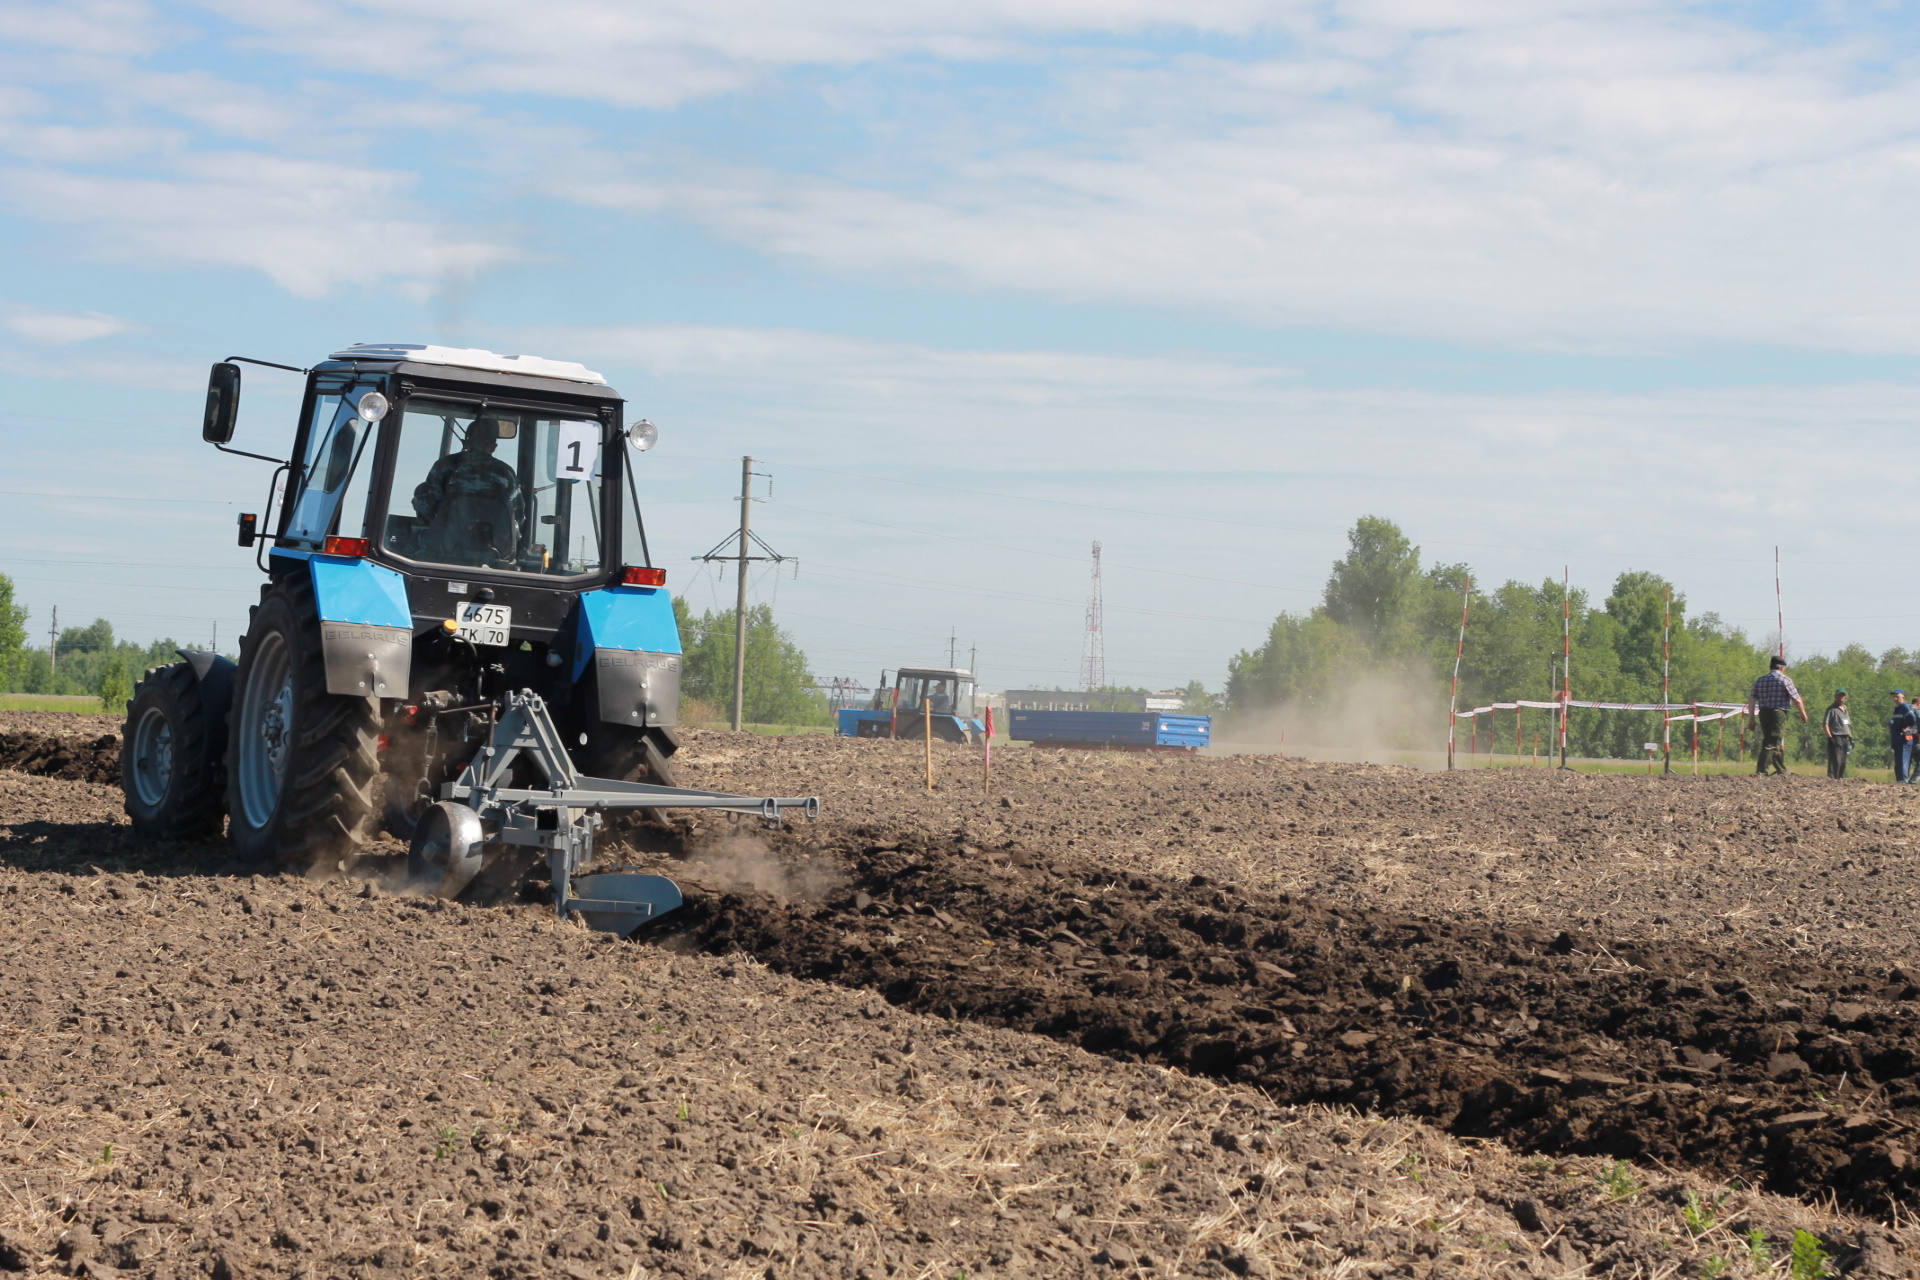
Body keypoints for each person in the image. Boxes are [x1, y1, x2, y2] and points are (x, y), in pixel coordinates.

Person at [412, 414, 525, 567]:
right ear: (493, 447)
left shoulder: (445, 466)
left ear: (467, 441)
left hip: (441, 553)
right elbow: (517, 516)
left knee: (408, 544)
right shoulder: (506, 473)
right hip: (495, 556)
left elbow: (427, 507)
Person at [1745, 654, 1807, 776]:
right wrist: (1803, 713)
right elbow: (1797, 699)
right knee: (1772, 742)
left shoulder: (1761, 680)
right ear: (1782, 668)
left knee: (1770, 741)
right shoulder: (1785, 680)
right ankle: (1761, 771)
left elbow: (1752, 700)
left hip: (1763, 713)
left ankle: (1782, 770)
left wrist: (1751, 718)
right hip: (1778, 713)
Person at [1891, 690, 1920, 784]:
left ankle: (1904, 781)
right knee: (1901, 761)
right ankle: (1905, 781)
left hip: (1905, 739)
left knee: (1903, 761)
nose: (1895, 699)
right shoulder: (1900, 709)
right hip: (1902, 739)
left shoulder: (1905, 708)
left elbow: (1912, 720)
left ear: (1903, 697)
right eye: (1894, 697)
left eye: (1897, 696)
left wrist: (1908, 729)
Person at [1824, 689, 1852, 779]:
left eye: (1842, 696)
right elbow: (1825, 724)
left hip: (1845, 737)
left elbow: (1847, 724)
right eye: (1839, 696)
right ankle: (1832, 779)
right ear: (1835, 696)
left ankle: (1840, 778)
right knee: (1836, 759)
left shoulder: (1845, 709)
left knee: (1843, 760)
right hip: (1836, 736)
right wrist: (1830, 737)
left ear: (1845, 698)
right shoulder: (1831, 709)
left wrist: (1851, 737)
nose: (1841, 698)